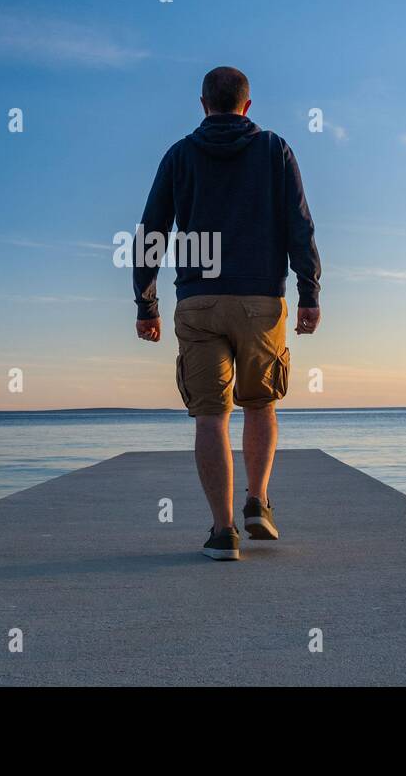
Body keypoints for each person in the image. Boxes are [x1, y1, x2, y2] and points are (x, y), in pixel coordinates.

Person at [132, 66, 321, 560]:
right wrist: (309, 292)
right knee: (260, 403)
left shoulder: (180, 155)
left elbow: (152, 231)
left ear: (203, 104)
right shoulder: (275, 150)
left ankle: (222, 533)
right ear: (247, 105)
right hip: (261, 299)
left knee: (211, 417)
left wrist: (146, 303)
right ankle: (257, 501)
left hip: (198, 301)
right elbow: (300, 224)